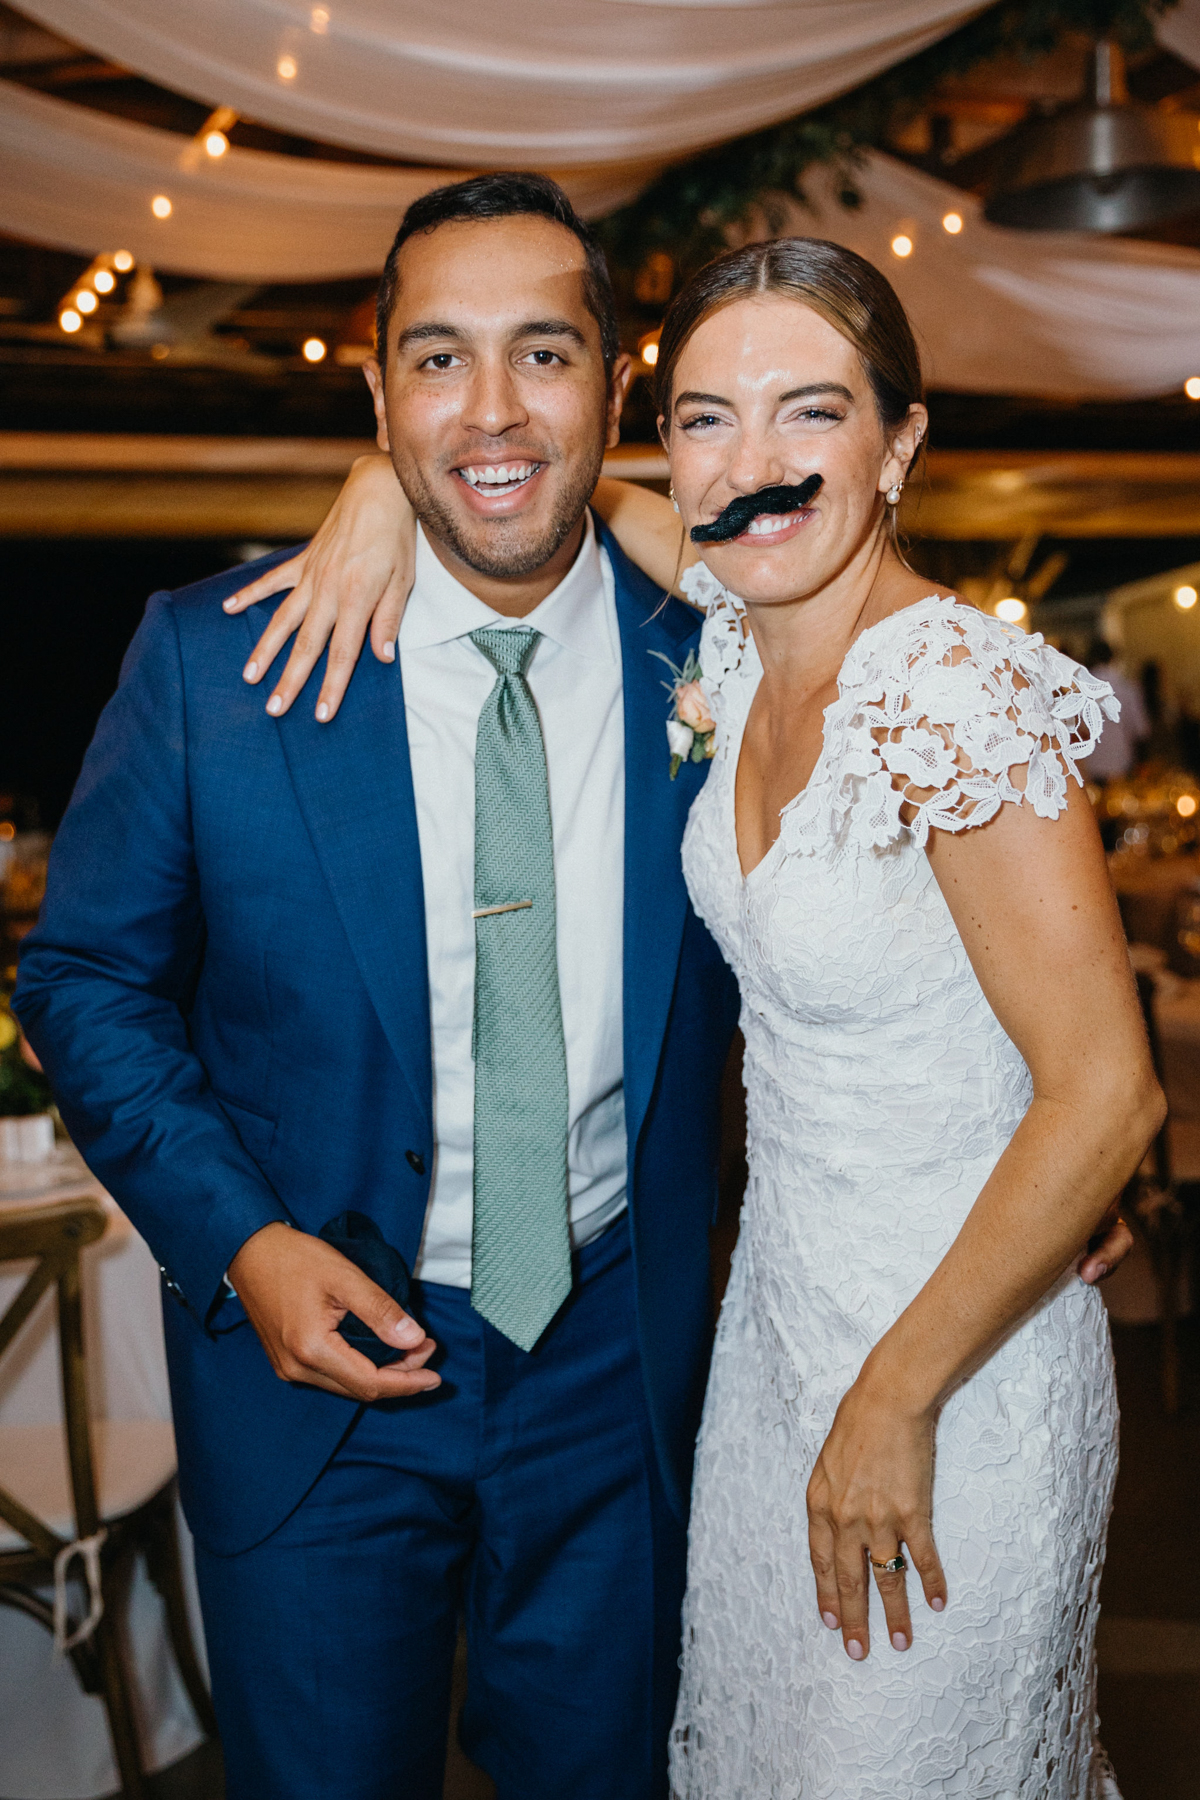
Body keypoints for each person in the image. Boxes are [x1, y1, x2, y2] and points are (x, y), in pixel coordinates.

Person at [241, 236, 1156, 1797]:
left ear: (900, 443)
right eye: (708, 418)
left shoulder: (954, 693)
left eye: (813, 412)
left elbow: (1110, 1099)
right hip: (774, 1336)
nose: (756, 462)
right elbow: (549, 476)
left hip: (950, 1357)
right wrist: (382, 482)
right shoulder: (739, 640)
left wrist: (896, 1397)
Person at [14, 174, 743, 1800]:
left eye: (543, 355)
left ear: (614, 388)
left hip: (611, 1369)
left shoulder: (717, 659)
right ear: (377, 391)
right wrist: (242, 1243)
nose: (492, 410)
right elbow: (85, 979)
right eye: (438, 359)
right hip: (315, 1383)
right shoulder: (213, 665)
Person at [1086, 637, 1149, 781]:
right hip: (1121, 759)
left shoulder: (1082, 688)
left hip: (1092, 762)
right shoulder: (1126, 686)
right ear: (1112, 658)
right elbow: (1140, 729)